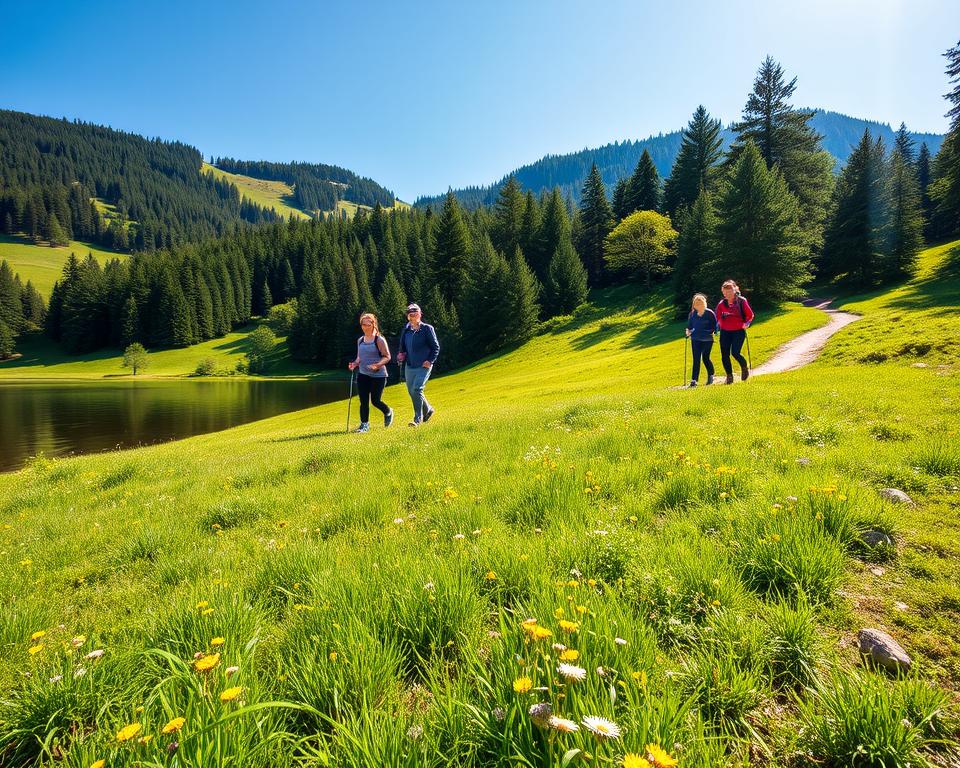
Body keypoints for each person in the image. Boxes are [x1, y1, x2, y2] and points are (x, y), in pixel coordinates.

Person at [347, 312, 393, 433]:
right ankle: (364, 425)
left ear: (373, 324)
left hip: (379, 375)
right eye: (363, 324)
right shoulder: (360, 340)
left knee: (375, 401)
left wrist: (377, 365)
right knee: (363, 401)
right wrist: (354, 364)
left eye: (368, 324)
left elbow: (387, 356)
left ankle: (388, 411)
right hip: (363, 374)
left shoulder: (379, 340)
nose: (365, 327)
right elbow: (359, 357)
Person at [396, 303, 439, 427]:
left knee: (417, 389)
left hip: (424, 365)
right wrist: (401, 354)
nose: (412, 314)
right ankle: (428, 409)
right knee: (412, 391)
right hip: (409, 365)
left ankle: (417, 419)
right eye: (410, 312)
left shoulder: (427, 328)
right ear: (407, 316)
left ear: (420, 314)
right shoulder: (406, 330)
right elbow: (402, 347)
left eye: (415, 312)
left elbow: (435, 347)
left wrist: (430, 360)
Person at [715, 280, 754, 384]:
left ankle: (744, 367)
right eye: (725, 292)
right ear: (723, 292)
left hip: (738, 331)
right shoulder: (721, 304)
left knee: (735, 353)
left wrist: (747, 323)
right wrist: (719, 324)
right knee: (724, 355)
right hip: (725, 332)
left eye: (730, 291)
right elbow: (717, 317)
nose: (727, 294)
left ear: (735, 289)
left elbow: (750, 315)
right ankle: (729, 376)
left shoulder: (741, 301)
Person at [685, 293, 716, 387]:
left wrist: (712, 331)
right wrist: (688, 331)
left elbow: (715, 325)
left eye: (700, 303)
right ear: (694, 305)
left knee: (706, 358)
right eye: (696, 304)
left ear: (704, 303)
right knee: (696, 359)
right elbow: (689, 326)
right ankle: (694, 380)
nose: (698, 305)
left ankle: (711, 375)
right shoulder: (692, 314)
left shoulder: (709, 313)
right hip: (695, 339)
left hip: (707, 339)